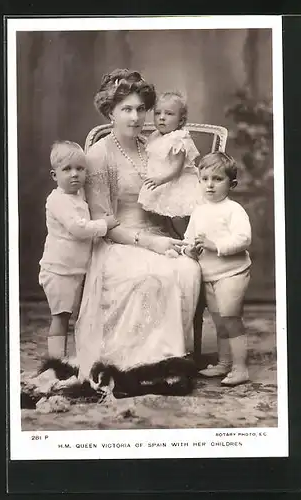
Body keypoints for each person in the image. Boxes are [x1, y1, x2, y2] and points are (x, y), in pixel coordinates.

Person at [72, 69, 201, 397]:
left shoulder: (155, 145)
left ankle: (172, 362)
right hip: (118, 242)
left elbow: (174, 195)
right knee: (150, 274)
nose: (136, 116)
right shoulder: (99, 155)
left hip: (158, 232)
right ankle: (138, 368)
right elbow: (104, 224)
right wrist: (151, 243)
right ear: (110, 111)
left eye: (141, 108)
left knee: (187, 268)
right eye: (127, 109)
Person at [39, 141, 118, 359]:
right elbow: (78, 228)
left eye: (80, 169)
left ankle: (81, 357)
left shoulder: (79, 195)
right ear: (54, 175)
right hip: (59, 270)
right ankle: (56, 361)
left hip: (78, 268)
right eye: (67, 169)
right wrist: (105, 225)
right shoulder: (57, 200)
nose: (74, 174)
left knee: (83, 314)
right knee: (61, 316)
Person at [183, 152, 251, 386]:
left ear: (231, 184)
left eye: (217, 179)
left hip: (232, 272)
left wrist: (215, 245)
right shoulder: (199, 211)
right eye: (204, 179)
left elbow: (243, 239)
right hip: (209, 275)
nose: (209, 185)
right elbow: (187, 238)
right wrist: (189, 250)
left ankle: (240, 368)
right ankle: (224, 364)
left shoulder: (233, 209)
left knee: (231, 318)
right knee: (220, 322)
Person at [138, 91, 201, 239]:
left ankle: (189, 241)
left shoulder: (178, 139)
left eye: (169, 114)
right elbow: (152, 155)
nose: (161, 118)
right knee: (164, 220)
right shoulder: (154, 136)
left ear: (180, 121)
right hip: (162, 182)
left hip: (176, 182)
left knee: (177, 217)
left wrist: (160, 180)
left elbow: (176, 169)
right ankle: (177, 242)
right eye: (157, 113)